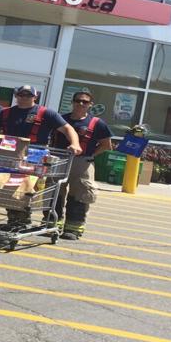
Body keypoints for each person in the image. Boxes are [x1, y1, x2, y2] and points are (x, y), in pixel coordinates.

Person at [0, 86, 79, 227]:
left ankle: (27, 218)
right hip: (11, 153)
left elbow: (67, 129)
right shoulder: (5, 113)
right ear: (16, 96)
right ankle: (15, 218)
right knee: (10, 185)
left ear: (35, 97)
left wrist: (75, 143)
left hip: (36, 154)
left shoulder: (47, 113)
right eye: (21, 94)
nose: (24, 97)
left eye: (28, 95)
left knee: (29, 186)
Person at [56, 89, 114, 239]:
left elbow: (106, 145)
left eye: (85, 102)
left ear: (90, 105)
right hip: (60, 159)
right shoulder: (61, 119)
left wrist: (90, 156)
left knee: (80, 195)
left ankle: (73, 228)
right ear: (72, 102)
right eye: (78, 101)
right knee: (55, 192)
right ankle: (52, 223)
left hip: (82, 162)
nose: (81, 104)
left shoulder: (97, 123)